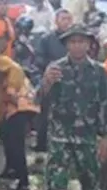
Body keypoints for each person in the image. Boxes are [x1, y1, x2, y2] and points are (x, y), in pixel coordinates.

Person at [40, 23, 107, 190]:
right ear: (66, 45)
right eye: (72, 41)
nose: (77, 45)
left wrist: (106, 136)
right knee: (57, 183)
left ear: (90, 44)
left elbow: (105, 105)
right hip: (61, 136)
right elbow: (37, 100)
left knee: (91, 179)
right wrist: (46, 83)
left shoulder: (99, 71)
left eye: (82, 41)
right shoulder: (55, 69)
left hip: (87, 135)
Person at [0, 54, 38, 190]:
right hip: (21, 111)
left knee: (16, 146)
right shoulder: (13, 73)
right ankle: (11, 170)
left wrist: (16, 102)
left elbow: (7, 97)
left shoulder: (14, 73)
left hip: (19, 112)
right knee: (6, 138)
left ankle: (23, 183)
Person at [33, 9, 72, 154]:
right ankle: (41, 147)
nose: (66, 22)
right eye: (63, 19)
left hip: (69, 85)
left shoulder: (73, 40)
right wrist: (42, 81)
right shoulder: (46, 39)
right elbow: (38, 63)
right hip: (50, 82)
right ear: (56, 21)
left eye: (69, 19)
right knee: (45, 116)